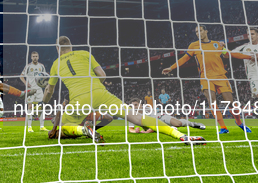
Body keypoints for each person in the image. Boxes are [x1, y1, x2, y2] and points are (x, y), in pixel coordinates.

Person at [44, 36, 205, 145]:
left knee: (65, 126)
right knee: (136, 117)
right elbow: (102, 74)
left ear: (58, 49)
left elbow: (49, 91)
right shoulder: (85, 54)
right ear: (70, 47)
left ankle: (83, 129)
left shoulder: (55, 64)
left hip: (79, 99)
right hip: (101, 93)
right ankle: (180, 135)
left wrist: (42, 102)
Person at [163, 25, 254, 134]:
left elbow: (230, 54)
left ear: (206, 31)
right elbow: (185, 58)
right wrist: (171, 67)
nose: (198, 33)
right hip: (205, 78)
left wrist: (250, 57)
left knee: (230, 103)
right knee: (212, 102)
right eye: (196, 31)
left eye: (200, 30)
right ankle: (223, 127)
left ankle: (239, 122)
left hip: (220, 76)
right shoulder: (194, 45)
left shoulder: (217, 44)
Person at [127, 98, 206, 133]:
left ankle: (193, 124)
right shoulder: (132, 115)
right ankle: (171, 128)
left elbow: (154, 123)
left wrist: (147, 132)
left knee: (178, 124)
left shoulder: (147, 110)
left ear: (141, 105)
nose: (134, 107)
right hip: (157, 126)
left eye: (136, 105)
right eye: (132, 106)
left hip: (161, 118)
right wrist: (135, 131)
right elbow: (130, 129)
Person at [20, 51, 48, 133]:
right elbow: (21, 76)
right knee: (30, 107)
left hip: (39, 89)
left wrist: (45, 85)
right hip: (30, 90)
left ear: (38, 57)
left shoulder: (41, 66)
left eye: (36, 56)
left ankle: (42, 126)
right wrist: (26, 83)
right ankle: (29, 127)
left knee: (41, 107)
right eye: (33, 56)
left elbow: (45, 76)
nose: (35, 57)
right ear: (31, 57)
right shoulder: (28, 66)